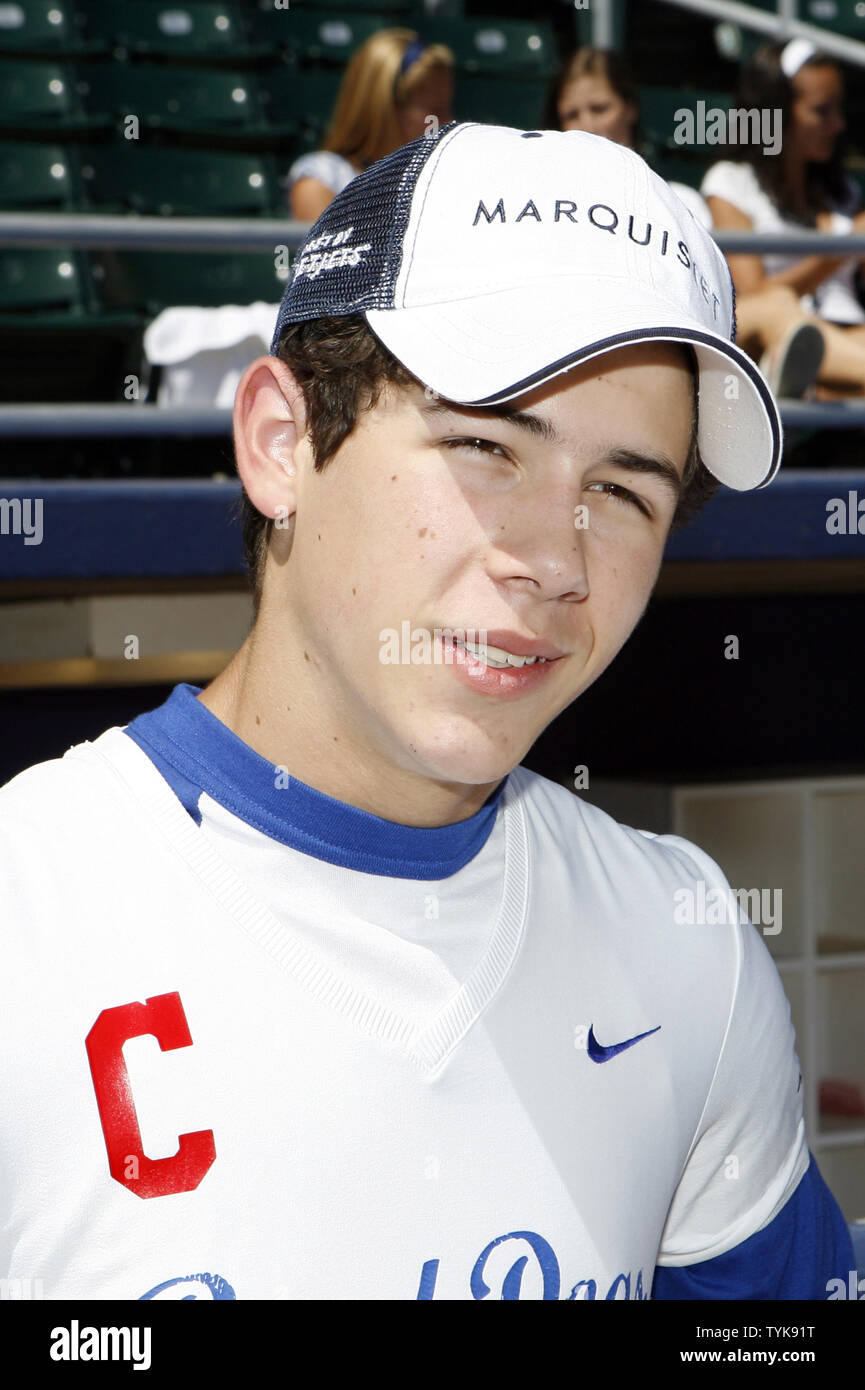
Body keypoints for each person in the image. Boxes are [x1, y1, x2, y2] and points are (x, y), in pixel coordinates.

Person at [0, 123, 854, 1301]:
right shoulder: (27, 923)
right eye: (485, 446)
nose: (556, 559)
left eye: (620, 489)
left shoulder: (684, 944)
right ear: (281, 443)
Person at [546, 46, 826, 400]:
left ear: (630, 109)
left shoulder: (679, 200)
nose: (587, 125)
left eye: (600, 109)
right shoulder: (548, 205)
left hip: (677, 337)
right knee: (776, 308)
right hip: (594, 341)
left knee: (779, 307)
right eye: (572, 114)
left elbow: (709, 297)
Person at [703, 37, 865, 397]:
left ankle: (825, 387)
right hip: (780, 337)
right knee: (784, 315)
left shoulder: (844, 191)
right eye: (822, 110)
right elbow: (755, 296)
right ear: (776, 111)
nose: (838, 124)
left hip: (849, 336)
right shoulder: (731, 181)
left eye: (838, 109)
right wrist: (841, 249)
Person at [287, 28, 454, 222]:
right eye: (437, 109)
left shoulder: (440, 180)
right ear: (387, 108)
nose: (449, 121)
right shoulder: (322, 180)